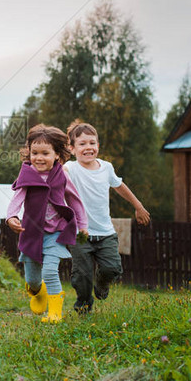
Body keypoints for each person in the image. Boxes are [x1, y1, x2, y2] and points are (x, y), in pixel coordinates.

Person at [64, 120, 150, 313]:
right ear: (72, 149)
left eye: (92, 143)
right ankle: (83, 307)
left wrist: (138, 206)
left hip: (105, 232)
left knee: (113, 268)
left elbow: (120, 186)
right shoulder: (71, 168)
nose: (88, 147)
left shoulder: (106, 168)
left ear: (98, 146)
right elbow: (59, 174)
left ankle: (102, 283)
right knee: (82, 276)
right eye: (82, 144)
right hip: (80, 233)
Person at [6, 124, 88, 322]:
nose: (39, 158)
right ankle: (38, 291)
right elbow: (18, 197)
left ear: (57, 155)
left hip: (56, 233)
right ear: (29, 153)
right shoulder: (27, 175)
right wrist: (11, 217)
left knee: (51, 270)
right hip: (32, 232)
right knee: (32, 280)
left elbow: (75, 200)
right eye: (34, 153)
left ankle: (55, 313)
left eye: (45, 153)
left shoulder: (62, 176)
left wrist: (82, 224)